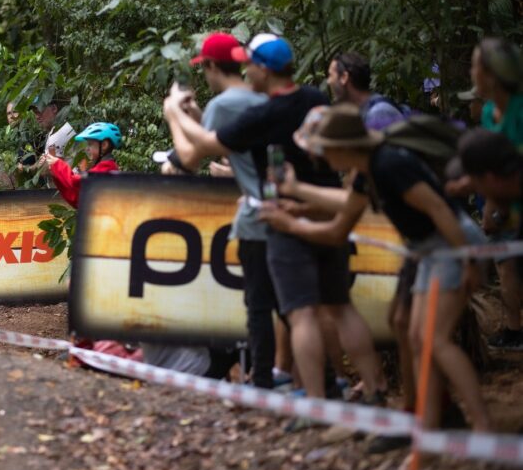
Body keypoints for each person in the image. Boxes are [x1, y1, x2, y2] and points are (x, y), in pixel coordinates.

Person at [161, 33, 384, 410]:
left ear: (264, 70)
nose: (246, 71)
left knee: (297, 313)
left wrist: (174, 114)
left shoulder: (265, 114)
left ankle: (312, 400)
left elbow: (200, 148)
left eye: (251, 65)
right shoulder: (313, 98)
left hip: (286, 217)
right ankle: (374, 390)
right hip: (326, 207)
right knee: (339, 306)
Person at [262, 106, 491, 432]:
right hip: (426, 249)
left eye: (325, 150)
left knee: (434, 340)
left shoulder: (389, 165)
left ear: (342, 148)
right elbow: (341, 221)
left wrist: (468, 259)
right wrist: (297, 209)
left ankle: (482, 425)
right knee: (414, 336)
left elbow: (439, 209)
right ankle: (428, 425)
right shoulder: (365, 174)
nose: (321, 156)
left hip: (451, 244)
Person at [165, 32, 276, 388]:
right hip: (282, 207)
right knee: (288, 306)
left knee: (259, 306)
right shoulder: (257, 97)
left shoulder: (225, 103)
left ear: (212, 66)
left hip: (259, 216)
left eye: (205, 69)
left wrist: (173, 115)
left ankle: (261, 381)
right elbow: (224, 141)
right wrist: (196, 115)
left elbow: (189, 159)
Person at [471, 37, 523, 348]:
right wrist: (493, 208)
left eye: (476, 66)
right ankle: (515, 329)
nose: (472, 73)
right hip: (508, 204)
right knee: (507, 265)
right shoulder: (490, 113)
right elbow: (493, 168)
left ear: (491, 74)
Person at [42, 122, 121, 208]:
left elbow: (75, 182)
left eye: (90, 144)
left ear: (104, 145)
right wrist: (56, 174)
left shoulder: (106, 168)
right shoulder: (105, 167)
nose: (87, 148)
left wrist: (57, 164)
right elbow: (77, 199)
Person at [326, 52, 408, 131]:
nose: (328, 81)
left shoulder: (379, 112)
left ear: (344, 77)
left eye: (330, 75)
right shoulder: (361, 110)